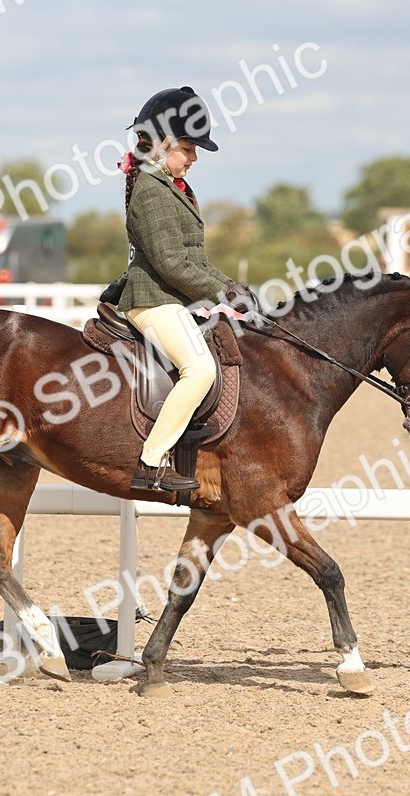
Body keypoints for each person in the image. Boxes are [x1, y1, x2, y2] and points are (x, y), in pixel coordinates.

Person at [117, 86, 256, 493]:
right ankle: (151, 461)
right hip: (152, 300)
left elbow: (192, 258)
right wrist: (222, 292)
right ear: (161, 143)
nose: (194, 159)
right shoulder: (150, 189)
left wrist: (230, 286)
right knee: (199, 371)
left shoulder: (170, 187)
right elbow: (170, 263)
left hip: (172, 297)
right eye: (189, 149)